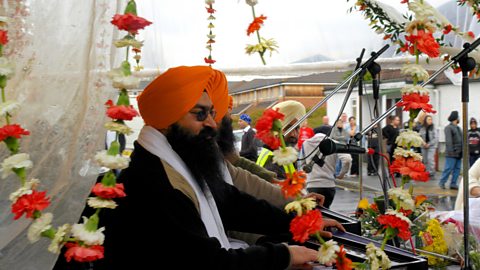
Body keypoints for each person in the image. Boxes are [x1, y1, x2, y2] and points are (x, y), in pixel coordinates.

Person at [99, 66, 319, 269]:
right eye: (200, 114)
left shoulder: (178, 161)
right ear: (168, 118)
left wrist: (298, 223)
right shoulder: (153, 180)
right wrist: (284, 255)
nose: (212, 124)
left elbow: (230, 201)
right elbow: (208, 262)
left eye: (212, 114)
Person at [257, 100, 306, 179]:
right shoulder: (273, 161)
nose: (293, 134)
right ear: (276, 131)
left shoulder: (284, 155)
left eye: (297, 128)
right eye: (288, 128)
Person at [302, 132, 352, 208]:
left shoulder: (306, 143)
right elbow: (347, 159)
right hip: (329, 185)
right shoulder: (334, 143)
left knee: (313, 214)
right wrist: (341, 174)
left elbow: (302, 165)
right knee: (326, 213)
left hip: (312, 185)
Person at [439, 110, 462, 190]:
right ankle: (442, 182)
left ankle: (453, 184)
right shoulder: (448, 128)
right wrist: (452, 152)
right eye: (458, 116)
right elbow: (449, 141)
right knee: (448, 168)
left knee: (457, 169)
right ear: (455, 118)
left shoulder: (458, 128)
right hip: (451, 153)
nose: (459, 118)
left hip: (459, 153)